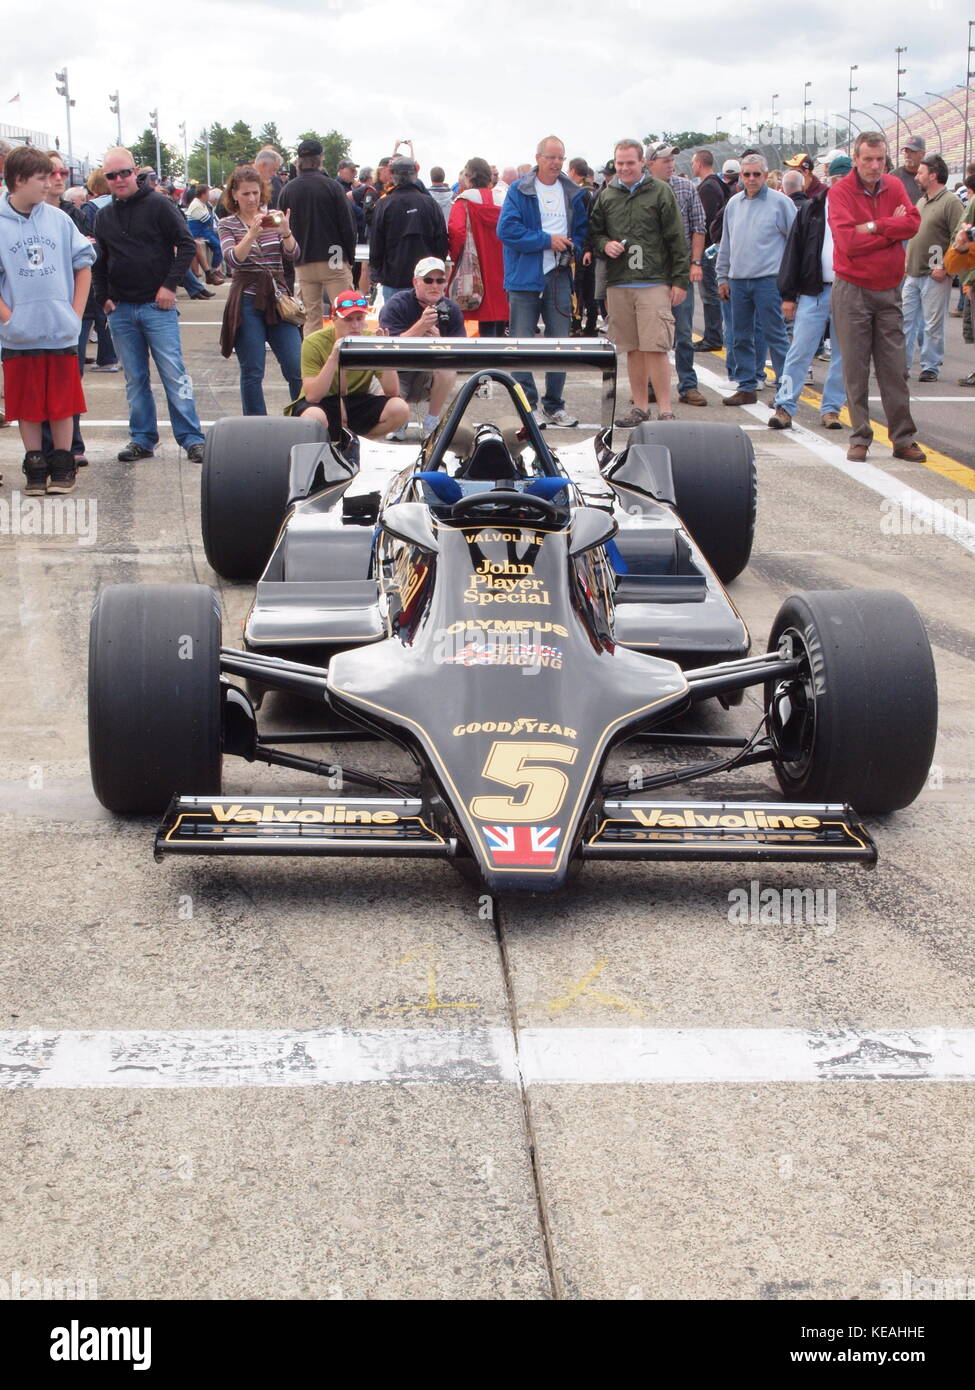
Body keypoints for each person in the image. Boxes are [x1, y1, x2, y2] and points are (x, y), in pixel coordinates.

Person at [94, 146, 207, 463]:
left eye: (124, 173)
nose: (119, 179)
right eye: (112, 175)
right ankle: (142, 439)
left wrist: (169, 285)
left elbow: (186, 245)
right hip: (121, 309)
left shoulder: (159, 204)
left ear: (136, 173)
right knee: (135, 379)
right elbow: (99, 261)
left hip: (157, 307)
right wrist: (101, 298)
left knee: (174, 374)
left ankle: (192, 438)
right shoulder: (103, 216)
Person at [0, 146, 95, 495]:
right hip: (19, 336)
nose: (50, 183)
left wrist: (75, 313)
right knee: (26, 404)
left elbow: (83, 265)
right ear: (19, 180)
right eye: (42, 178)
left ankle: (63, 465)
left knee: (62, 403)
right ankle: (35, 467)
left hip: (59, 330)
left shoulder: (59, 219)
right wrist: (10, 319)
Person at [827, 131, 923, 462]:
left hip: (888, 289)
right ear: (855, 159)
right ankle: (860, 436)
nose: (874, 165)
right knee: (855, 367)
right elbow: (849, 244)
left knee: (894, 368)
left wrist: (871, 226)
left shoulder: (895, 186)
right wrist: (888, 229)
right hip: (852, 289)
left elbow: (912, 224)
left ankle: (902, 438)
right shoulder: (840, 193)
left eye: (880, 159)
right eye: (868, 159)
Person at [589, 138, 688, 426]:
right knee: (631, 348)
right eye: (620, 163)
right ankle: (640, 407)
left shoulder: (660, 192)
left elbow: (675, 238)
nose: (624, 168)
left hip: (653, 281)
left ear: (642, 162)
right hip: (620, 282)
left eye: (630, 163)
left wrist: (679, 280)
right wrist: (605, 245)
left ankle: (666, 410)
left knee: (655, 347)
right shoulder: (607, 196)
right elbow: (595, 234)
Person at [497, 134, 588, 426]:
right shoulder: (519, 190)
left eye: (560, 157)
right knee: (521, 344)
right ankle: (529, 406)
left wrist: (576, 246)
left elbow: (583, 230)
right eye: (550, 157)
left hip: (560, 275)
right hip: (524, 276)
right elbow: (507, 231)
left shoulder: (572, 191)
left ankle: (554, 405)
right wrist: (547, 240)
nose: (556, 163)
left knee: (559, 342)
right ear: (538, 158)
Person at [768, 154, 849, 432]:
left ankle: (832, 409)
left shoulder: (858, 209)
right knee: (800, 349)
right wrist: (788, 295)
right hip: (815, 290)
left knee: (843, 353)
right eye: (837, 179)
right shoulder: (813, 209)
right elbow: (794, 251)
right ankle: (785, 405)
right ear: (829, 179)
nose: (841, 184)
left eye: (846, 179)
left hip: (848, 291)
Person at [217, 165, 302, 416]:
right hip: (246, 299)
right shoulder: (227, 224)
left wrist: (285, 232)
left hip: (277, 299)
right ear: (234, 195)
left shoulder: (273, 217)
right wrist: (252, 233)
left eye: (255, 193)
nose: (252, 199)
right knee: (253, 370)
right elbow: (233, 259)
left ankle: (302, 418)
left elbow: (294, 254)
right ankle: (256, 426)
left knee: (295, 366)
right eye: (245, 194)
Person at [716, 153, 796, 406]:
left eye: (756, 174)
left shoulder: (781, 203)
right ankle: (747, 385)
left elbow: (795, 242)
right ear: (741, 176)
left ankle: (785, 390)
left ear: (765, 174)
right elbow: (726, 242)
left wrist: (789, 282)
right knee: (739, 335)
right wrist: (722, 276)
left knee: (776, 335)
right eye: (747, 174)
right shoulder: (734, 204)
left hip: (768, 280)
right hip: (738, 280)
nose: (751, 179)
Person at [286, 288, 407, 441]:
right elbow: (312, 396)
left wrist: (384, 355)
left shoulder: (370, 340)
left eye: (360, 318)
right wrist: (333, 358)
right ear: (334, 319)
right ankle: (326, 447)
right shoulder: (314, 342)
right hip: (323, 400)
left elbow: (392, 392)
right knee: (314, 417)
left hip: (355, 399)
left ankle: (357, 442)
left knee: (399, 408)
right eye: (348, 319)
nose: (355, 325)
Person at [646, 142, 707, 407]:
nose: (670, 164)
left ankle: (688, 385)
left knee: (683, 332)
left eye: (672, 159)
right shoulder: (640, 189)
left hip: (679, 269)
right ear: (650, 163)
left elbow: (699, 226)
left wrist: (695, 262)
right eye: (664, 160)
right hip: (650, 273)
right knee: (651, 333)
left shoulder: (686, 188)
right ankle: (650, 385)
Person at [379, 256, 464, 440]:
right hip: (401, 372)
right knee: (380, 386)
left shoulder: (451, 308)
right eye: (428, 280)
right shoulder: (397, 304)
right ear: (415, 282)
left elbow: (461, 356)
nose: (434, 285)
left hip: (429, 376)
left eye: (440, 280)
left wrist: (440, 341)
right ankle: (399, 420)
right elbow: (387, 348)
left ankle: (431, 422)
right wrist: (420, 327)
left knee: (448, 370)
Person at [278, 138, 356, 336]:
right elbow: (347, 226)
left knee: (311, 318)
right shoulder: (332, 187)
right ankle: (345, 359)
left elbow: (281, 227)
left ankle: (311, 363)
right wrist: (350, 257)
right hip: (334, 255)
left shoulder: (288, 189)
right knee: (345, 312)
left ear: (299, 160)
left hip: (303, 258)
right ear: (320, 158)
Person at [902, 154, 965, 382]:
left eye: (921, 172)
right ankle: (902, 366)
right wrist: (907, 261)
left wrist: (946, 268)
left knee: (932, 324)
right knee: (905, 321)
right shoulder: (922, 201)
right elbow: (913, 234)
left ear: (933, 175)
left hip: (935, 273)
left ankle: (930, 366)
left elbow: (958, 236)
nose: (917, 176)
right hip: (913, 272)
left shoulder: (950, 202)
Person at [369, 157, 448, 296]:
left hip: (394, 277)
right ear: (415, 174)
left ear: (392, 175)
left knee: (395, 317)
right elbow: (441, 242)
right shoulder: (430, 204)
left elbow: (376, 244)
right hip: (426, 278)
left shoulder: (384, 204)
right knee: (427, 317)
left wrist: (378, 272)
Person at [448, 157, 508, 337]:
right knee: (498, 312)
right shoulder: (504, 201)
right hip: (502, 264)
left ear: (468, 177)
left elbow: (456, 232)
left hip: (476, 264)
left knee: (482, 314)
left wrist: (456, 257)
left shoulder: (463, 201)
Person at [690, 148, 726, 350]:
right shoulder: (717, 183)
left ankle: (713, 336)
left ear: (700, 163)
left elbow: (705, 221)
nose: (693, 166)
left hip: (708, 248)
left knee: (709, 292)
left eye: (694, 162)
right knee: (710, 292)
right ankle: (713, 335)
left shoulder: (708, 188)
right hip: (713, 247)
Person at [893, 136, 925, 206]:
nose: (907, 155)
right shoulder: (893, 176)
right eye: (906, 151)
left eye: (912, 152)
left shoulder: (929, 176)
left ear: (922, 154)